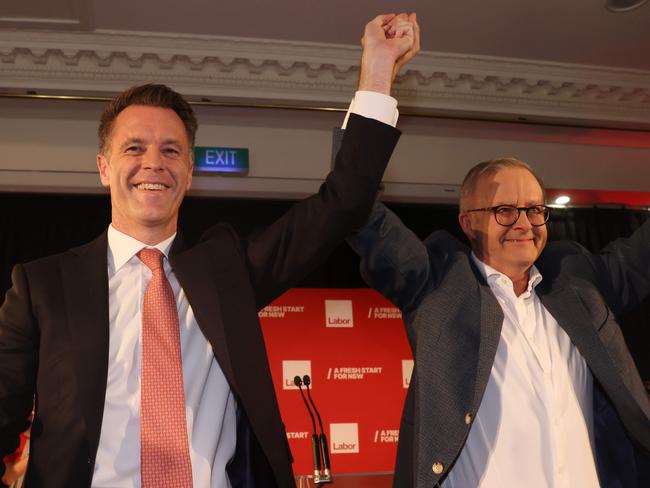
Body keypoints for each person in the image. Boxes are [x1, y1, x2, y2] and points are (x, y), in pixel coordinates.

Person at [0, 13, 420, 488]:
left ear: (191, 171)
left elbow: (343, 202)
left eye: (171, 150)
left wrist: (378, 72)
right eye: (134, 148)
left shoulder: (227, 272)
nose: (153, 162)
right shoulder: (41, 286)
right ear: (103, 167)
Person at [347, 157, 650, 487]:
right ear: (467, 223)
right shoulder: (440, 286)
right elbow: (361, 215)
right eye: (505, 210)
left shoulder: (576, 282)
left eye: (535, 209)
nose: (524, 223)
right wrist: (372, 110)